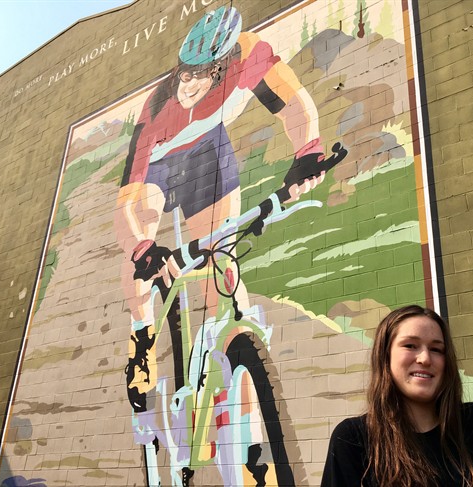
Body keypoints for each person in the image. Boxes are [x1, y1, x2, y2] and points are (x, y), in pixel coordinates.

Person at [115, 6, 327, 414]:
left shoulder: (247, 55)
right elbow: (124, 203)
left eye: (201, 72)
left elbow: (292, 102)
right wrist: (143, 248)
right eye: (185, 71)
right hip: (158, 167)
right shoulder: (157, 109)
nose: (188, 83)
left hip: (207, 154)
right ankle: (142, 334)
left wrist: (308, 151)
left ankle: (244, 402)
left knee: (221, 263)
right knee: (141, 232)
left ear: (225, 63)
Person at [321, 305, 473, 487]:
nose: (425, 358)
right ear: (384, 357)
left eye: (437, 349)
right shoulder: (352, 439)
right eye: (410, 345)